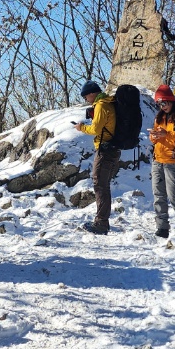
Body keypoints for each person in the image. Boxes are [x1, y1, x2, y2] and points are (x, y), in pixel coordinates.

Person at [73, 79, 119, 234]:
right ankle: (102, 221)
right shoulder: (108, 102)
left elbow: (96, 129)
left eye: (86, 96)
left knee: (100, 184)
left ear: (92, 93)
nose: (86, 99)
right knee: (102, 184)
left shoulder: (101, 105)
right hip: (111, 147)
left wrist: (81, 127)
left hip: (106, 149)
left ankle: (101, 224)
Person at [149, 84, 175, 238]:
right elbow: (154, 138)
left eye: (165, 103)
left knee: (173, 196)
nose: (163, 106)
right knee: (158, 196)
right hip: (158, 160)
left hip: (174, 161)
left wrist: (167, 134)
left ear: (171, 100)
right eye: (160, 104)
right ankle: (162, 227)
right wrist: (154, 136)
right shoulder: (159, 117)